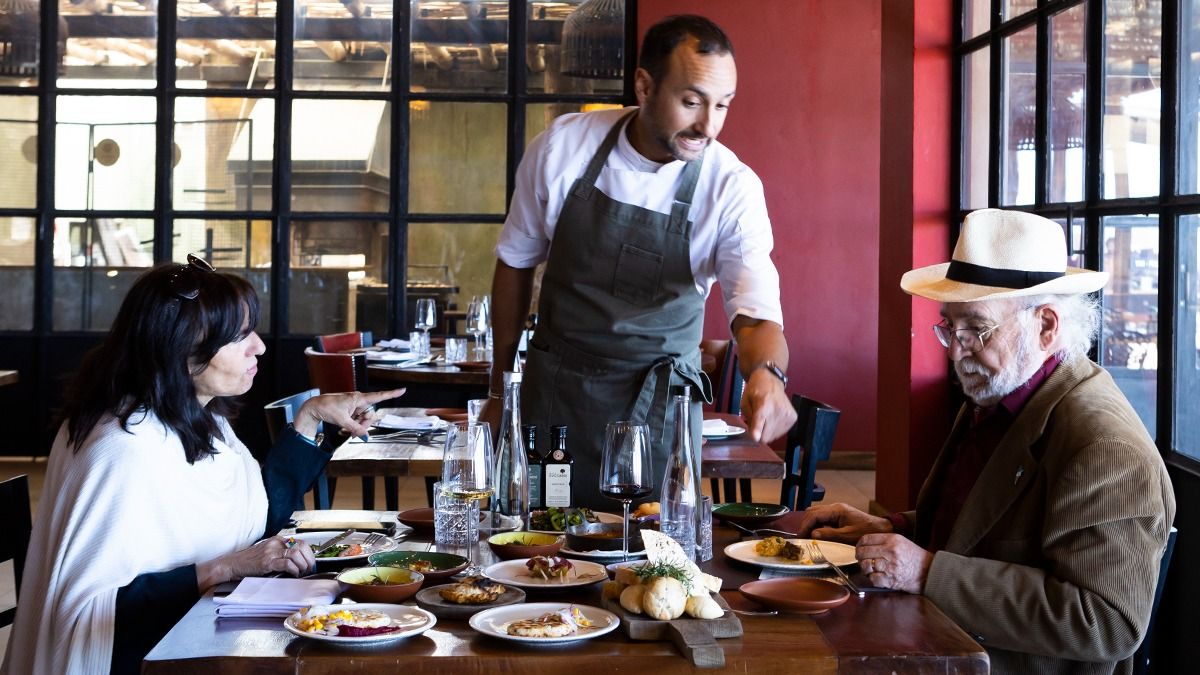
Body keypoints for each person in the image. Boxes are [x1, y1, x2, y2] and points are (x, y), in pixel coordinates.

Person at [796, 209, 1176, 674]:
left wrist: (928, 572)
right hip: (943, 640)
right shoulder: (1004, 394)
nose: (956, 351)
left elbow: (1107, 622)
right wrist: (894, 529)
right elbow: (989, 529)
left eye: (976, 328)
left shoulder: (1105, 447)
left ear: (1046, 326)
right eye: (949, 327)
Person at [1, 255, 403, 675]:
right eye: (240, 336)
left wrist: (311, 416)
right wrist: (227, 566)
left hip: (188, 632)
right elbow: (90, 614)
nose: (259, 346)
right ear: (181, 347)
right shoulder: (124, 449)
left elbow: (255, 516)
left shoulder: (196, 419)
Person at [485, 14, 796, 508]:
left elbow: (756, 313)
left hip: (659, 410)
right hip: (558, 395)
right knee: (539, 545)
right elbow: (515, 263)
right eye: (691, 101)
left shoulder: (731, 186)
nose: (707, 125)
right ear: (645, 85)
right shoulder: (563, 147)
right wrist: (501, 392)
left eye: (722, 106)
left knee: (654, 560)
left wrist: (769, 376)